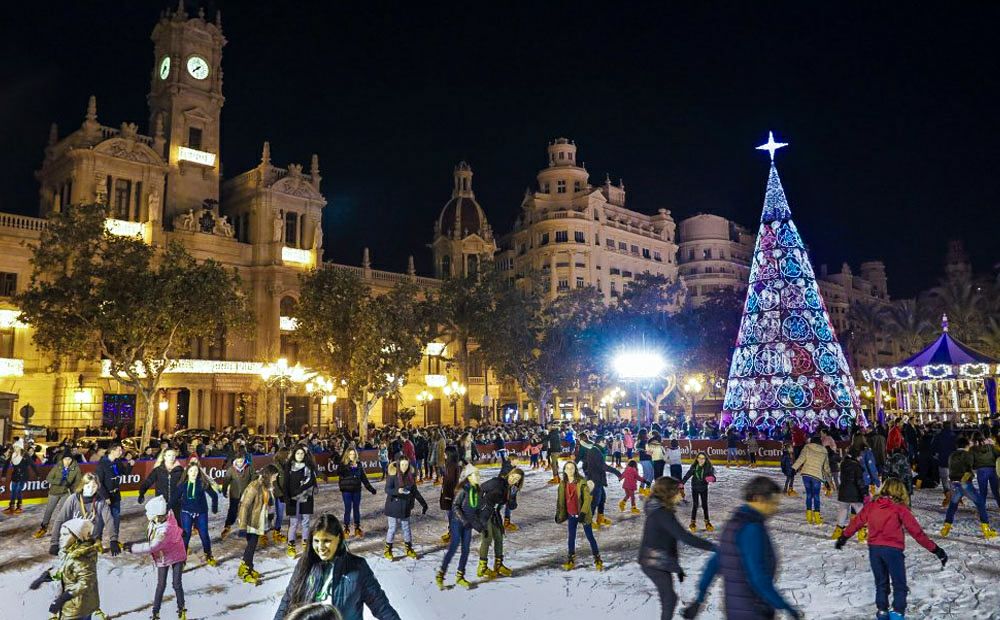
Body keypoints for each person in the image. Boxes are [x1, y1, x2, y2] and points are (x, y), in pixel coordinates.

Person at [682, 476, 802, 620]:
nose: (775, 508)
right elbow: (757, 577)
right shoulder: (752, 528)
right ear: (758, 499)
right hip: (754, 609)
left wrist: (699, 599)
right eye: (773, 503)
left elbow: (714, 563)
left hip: (735, 609)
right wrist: (787, 608)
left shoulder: (734, 523)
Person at [836, 479, 948, 620]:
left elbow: (857, 521)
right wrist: (936, 550)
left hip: (875, 550)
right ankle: (897, 614)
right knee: (899, 585)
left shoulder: (872, 505)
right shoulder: (899, 508)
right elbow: (917, 533)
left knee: (881, 583)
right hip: (893, 551)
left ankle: (882, 612)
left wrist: (844, 537)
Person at [274, 514, 400, 620]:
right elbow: (287, 602)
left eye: (327, 541)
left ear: (339, 538)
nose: (321, 548)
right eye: (316, 541)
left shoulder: (358, 567)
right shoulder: (306, 564)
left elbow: (381, 607)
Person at [639, 477, 716, 620]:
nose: (681, 494)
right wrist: (714, 547)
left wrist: (676, 566)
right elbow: (684, 537)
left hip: (657, 560)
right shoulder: (661, 513)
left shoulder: (659, 509)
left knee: (670, 598)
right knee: (669, 599)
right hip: (653, 562)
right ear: (669, 493)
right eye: (678, 491)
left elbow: (667, 540)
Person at [124, 495, 188, 620]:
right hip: (163, 556)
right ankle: (156, 612)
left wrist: (133, 548)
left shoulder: (164, 531)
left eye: (149, 513)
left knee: (176, 584)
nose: (147, 515)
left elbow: (152, 546)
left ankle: (181, 609)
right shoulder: (164, 517)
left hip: (176, 555)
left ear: (156, 515)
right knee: (161, 585)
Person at [29, 518, 101, 620]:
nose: (61, 538)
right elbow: (67, 571)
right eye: (61, 535)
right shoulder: (72, 552)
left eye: (65, 535)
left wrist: (62, 599)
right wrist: (47, 576)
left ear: (78, 537)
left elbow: (85, 583)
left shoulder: (83, 557)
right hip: (75, 606)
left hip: (80, 607)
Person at [49, 472, 119, 557]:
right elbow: (60, 520)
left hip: (91, 541)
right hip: (74, 540)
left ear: (98, 487)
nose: (91, 489)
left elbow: (109, 519)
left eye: (94, 486)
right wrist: (54, 543)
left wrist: (113, 539)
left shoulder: (101, 501)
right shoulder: (73, 499)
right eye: (88, 486)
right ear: (83, 486)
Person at [941, 437, 996, 539]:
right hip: (964, 483)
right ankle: (986, 528)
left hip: (954, 483)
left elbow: (951, 469)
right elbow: (968, 468)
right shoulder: (967, 454)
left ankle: (946, 526)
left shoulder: (952, 455)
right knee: (980, 503)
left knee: (953, 505)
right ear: (966, 445)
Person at [436, 463, 481, 589]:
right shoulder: (463, 489)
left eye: (478, 475)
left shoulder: (477, 490)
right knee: (453, 548)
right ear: (468, 477)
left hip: (468, 524)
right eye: (475, 475)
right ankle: (440, 575)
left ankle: (460, 576)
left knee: (465, 550)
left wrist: (480, 524)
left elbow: (476, 509)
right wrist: (464, 520)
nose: (477, 477)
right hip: (457, 522)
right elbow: (455, 507)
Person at [476, 464, 524, 578]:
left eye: (517, 479)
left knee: (499, 537)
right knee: (487, 538)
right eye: (513, 476)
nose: (513, 479)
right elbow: (480, 488)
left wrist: (512, 496)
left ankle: (498, 565)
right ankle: (482, 567)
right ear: (510, 474)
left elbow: (512, 507)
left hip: (495, 514)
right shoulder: (497, 482)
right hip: (484, 512)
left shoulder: (511, 489)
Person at [237, 464, 280, 586]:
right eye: (274, 476)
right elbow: (244, 505)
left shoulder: (267, 486)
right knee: (251, 545)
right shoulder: (255, 486)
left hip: (259, 521)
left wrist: (269, 520)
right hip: (251, 521)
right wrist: (242, 527)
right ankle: (244, 570)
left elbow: (268, 505)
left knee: (252, 545)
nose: (275, 479)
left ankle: (248, 567)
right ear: (269, 475)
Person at [555, 461, 602, 571]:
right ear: (565, 470)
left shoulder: (581, 482)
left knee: (590, 536)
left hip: (583, 515)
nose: (570, 470)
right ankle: (571, 558)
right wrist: (559, 514)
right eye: (568, 468)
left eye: (572, 468)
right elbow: (560, 501)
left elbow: (587, 499)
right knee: (571, 537)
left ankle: (597, 558)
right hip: (571, 515)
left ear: (575, 469)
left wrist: (583, 513)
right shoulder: (563, 484)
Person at [172, 461, 219, 565]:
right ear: (187, 472)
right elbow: (174, 498)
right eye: (191, 470)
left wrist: (214, 507)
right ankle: (182, 559)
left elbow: (214, 495)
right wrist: (166, 509)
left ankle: (208, 555)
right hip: (186, 512)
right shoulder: (183, 485)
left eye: (196, 471)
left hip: (201, 512)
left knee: (204, 534)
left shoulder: (202, 483)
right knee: (186, 535)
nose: (193, 473)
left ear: (198, 472)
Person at [383, 455, 428, 560]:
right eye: (402, 464)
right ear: (398, 464)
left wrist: (424, 504)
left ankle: (409, 548)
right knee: (392, 528)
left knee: (406, 528)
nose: (404, 467)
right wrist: (397, 491)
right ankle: (387, 550)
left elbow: (415, 492)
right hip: (393, 506)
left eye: (406, 465)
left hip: (405, 506)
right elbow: (387, 489)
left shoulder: (410, 477)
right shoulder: (393, 475)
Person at [34, 452, 81, 538]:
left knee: (63, 512)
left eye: (69, 459)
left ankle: (62, 528)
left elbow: (77, 481)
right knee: (49, 510)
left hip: (65, 492)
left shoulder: (75, 468)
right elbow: (48, 478)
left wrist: (75, 492)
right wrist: (59, 482)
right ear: (62, 459)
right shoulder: (57, 466)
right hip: (54, 492)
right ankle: (44, 527)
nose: (67, 461)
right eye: (65, 459)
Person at [286, 445, 319, 558]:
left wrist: (302, 488)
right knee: (294, 523)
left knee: (305, 521)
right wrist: (287, 497)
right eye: (298, 453)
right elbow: (286, 483)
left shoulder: (308, 467)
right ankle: (291, 545)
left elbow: (312, 481)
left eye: (302, 453)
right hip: (293, 498)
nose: (300, 455)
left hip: (306, 497)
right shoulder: (289, 467)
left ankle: (305, 544)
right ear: (294, 454)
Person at [95, 441, 133, 541]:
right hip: (104, 497)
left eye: (121, 450)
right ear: (112, 451)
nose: (121, 452)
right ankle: (98, 540)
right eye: (119, 450)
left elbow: (125, 473)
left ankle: (114, 540)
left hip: (116, 495)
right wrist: (106, 497)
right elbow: (98, 483)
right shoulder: (102, 464)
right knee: (102, 520)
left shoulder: (117, 462)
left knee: (116, 518)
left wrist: (130, 465)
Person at [337, 448, 377, 539]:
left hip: (356, 490)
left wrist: (371, 489)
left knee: (356, 508)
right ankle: (346, 528)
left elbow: (364, 478)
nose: (352, 456)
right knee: (348, 508)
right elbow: (339, 472)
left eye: (353, 454)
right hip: (346, 490)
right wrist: (347, 465)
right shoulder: (343, 465)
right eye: (350, 454)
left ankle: (357, 528)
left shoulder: (359, 465)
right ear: (347, 455)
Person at [139, 447, 186, 524]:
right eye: (169, 455)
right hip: (161, 500)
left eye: (173, 455)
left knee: (180, 522)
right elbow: (148, 481)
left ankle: (181, 535)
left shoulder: (180, 470)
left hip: (176, 500)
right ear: (165, 457)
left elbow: (186, 484)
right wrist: (141, 493)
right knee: (161, 524)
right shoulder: (158, 470)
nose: (171, 457)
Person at [792, 436, 832, 525]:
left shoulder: (807, 447)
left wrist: (793, 468)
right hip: (816, 476)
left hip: (806, 474)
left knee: (809, 494)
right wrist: (829, 479)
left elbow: (801, 459)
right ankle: (817, 516)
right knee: (816, 495)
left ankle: (809, 515)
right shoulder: (824, 450)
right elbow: (826, 467)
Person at [832, 447, 868, 541]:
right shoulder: (857, 466)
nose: (860, 458)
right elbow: (859, 481)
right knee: (861, 513)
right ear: (855, 456)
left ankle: (837, 532)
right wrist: (864, 492)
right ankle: (862, 533)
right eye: (859, 456)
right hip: (854, 493)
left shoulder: (844, 464)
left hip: (843, 491)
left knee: (843, 511)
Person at [221, 450, 255, 540]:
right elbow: (226, 481)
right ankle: (227, 526)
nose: (240, 463)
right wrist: (224, 490)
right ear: (235, 461)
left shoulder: (249, 468)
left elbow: (253, 480)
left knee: (246, 511)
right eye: (238, 461)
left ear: (244, 460)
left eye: (241, 461)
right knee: (233, 510)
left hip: (246, 494)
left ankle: (246, 528)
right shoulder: (231, 469)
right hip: (235, 494)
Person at [2, 443, 40, 514]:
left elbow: (32, 465)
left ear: (20, 448)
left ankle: (19, 506)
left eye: (17, 447)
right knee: (13, 491)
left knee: (18, 490)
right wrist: (3, 475)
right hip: (15, 475)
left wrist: (37, 474)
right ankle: (11, 506)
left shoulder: (25, 456)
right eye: (14, 447)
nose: (15, 448)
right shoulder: (12, 455)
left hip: (23, 476)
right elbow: (6, 465)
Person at [682, 451, 716, 532]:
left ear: (705, 459)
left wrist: (712, 479)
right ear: (697, 459)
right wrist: (682, 483)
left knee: (705, 505)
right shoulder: (694, 467)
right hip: (695, 488)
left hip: (704, 488)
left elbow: (713, 477)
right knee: (695, 505)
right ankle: (692, 522)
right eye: (699, 458)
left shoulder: (708, 467)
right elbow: (687, 475)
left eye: (703, 458)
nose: (701, 460)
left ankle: (707, 522)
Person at [970, 432, 1000, 510]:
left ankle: (982, 508)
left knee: (983, 492)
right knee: (996, 491)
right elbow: (998, 454)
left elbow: (970, 460)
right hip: (992, 470)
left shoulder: (973, 449)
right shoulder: (990, 446)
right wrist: (993, 445)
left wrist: (973, 467)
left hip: (981, 470)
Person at [437, 445, 460, 543]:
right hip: (451, 493)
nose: (444, 454)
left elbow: (450, 482)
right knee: (451, 515)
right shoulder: (451, 464)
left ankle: (453, 534)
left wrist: (443, 481)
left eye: (445, 453)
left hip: (450, 494)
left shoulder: (451, 466)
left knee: (451, 515)